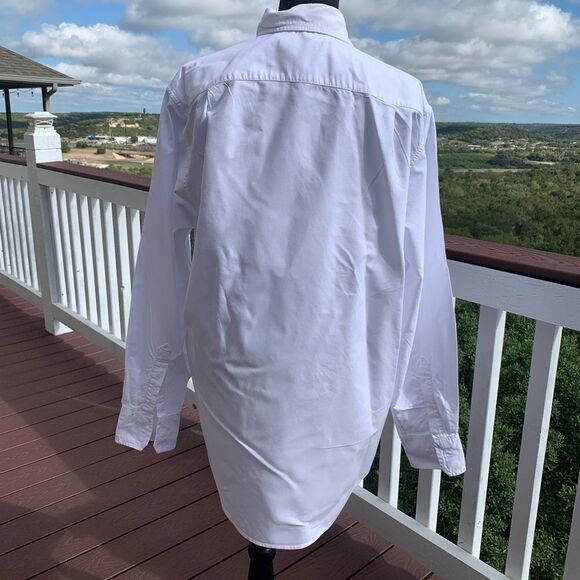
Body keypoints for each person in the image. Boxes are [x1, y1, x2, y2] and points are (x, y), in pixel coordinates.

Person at [114, 0, 467, 561]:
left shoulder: (202, 84)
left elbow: (162, 254)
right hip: (344, 367)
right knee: (274, 501)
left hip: (232, 353)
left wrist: (152, 398)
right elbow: (422, 267)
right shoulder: (400, 97)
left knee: (261, 506)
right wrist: (427, 420)